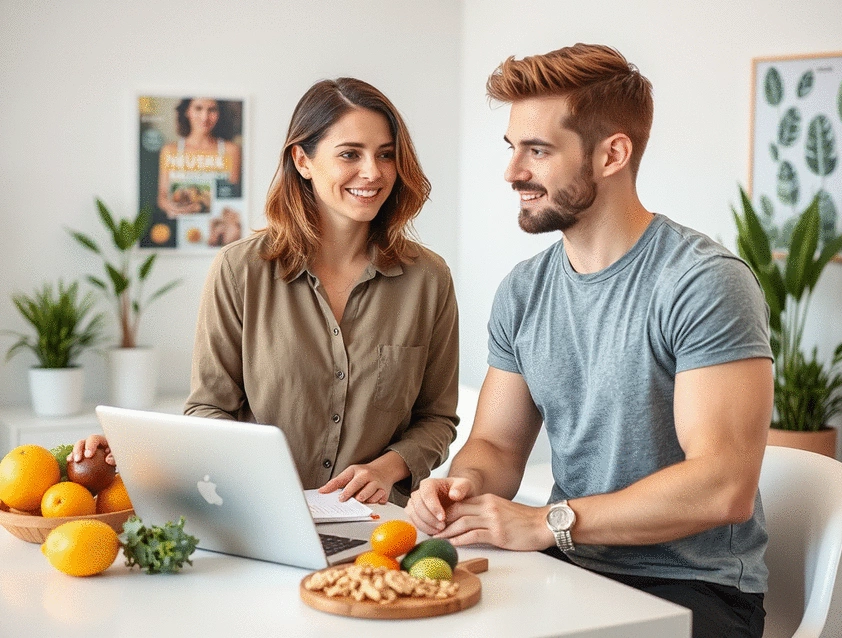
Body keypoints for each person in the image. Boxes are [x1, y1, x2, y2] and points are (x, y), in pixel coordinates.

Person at [405, 44, 774, 638]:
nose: (512, 172)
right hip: (572, 568)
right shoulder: (524, 290)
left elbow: (722, 486)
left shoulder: (703, 282)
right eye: (512, 148)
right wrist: (460, 486)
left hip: (695, 588)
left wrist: (547, 523)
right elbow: (497, 445)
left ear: (612, 154)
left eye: (538, 151)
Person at [73, 78, 460, 507]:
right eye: (350, 153)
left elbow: (436, 418)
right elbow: (208, 410)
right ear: (303, 160)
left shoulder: (428, 278)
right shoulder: (240, 271)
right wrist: (137, 456)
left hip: (379, 525)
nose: (373, 172)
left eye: (386, 155)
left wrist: (388, 468)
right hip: (257, 515)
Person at [157, 97, 242, 218]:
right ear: (187, 111)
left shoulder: (231, 150)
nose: (205, 117)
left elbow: (232, 195)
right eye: (198, 108)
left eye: (212, 110)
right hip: (181, 224)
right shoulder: (170, 151)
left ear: (219, 113)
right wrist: (170, 206)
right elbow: (162, 197)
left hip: (218, 225)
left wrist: (203, 205)